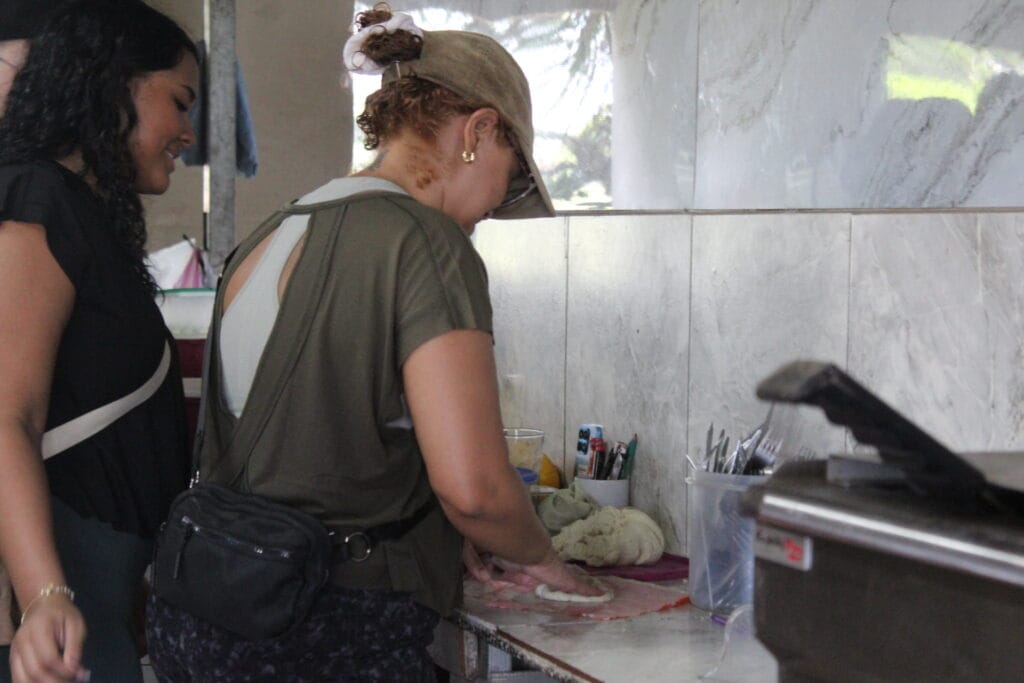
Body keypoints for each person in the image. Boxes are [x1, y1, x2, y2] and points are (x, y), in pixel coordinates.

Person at [145, 5, 600, 681]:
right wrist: (553, 567)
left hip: (209, 623)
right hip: (324, 635)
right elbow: (476, 489)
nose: (491, 212)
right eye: (508, 183)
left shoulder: (274, 229)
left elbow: (311, 446)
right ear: (478, 131)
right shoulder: (426, 242)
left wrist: (439, 532)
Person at [0, 1, 198, 681]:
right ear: (113, 83)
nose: (187, 132)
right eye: (179, 101)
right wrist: (44, 596)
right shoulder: (37, 200)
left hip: (92, 606)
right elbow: (7, 415)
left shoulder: (74, 210)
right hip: (56, 620)